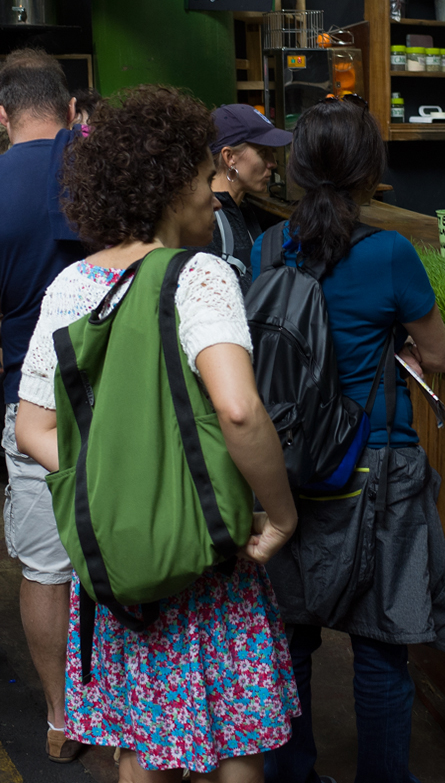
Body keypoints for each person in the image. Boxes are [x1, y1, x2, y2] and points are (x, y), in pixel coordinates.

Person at [14, 84, 301, 782]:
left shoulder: (71, 284)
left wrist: (112, 483)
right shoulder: (199, 275)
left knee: (143, 738)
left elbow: (31, 428)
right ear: (171, 184)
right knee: (234, 738)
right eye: (206, 178)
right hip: (206, 549)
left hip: (119, 562)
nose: (213, 192)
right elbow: (238, 411)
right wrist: (283, 514)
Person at [250, 97, 445, 783]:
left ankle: (295, 774)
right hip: (378, 466)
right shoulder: (392, 253)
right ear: (371, 170)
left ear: (299, 169)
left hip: (287, 467)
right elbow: (441, 355)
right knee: (379, 648)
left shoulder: (268, 248)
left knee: (292, 642)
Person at [0, 48, 86, 765]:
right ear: (70, 111)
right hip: (117, 397)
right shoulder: (97, 177)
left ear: (3, 117)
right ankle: (130, 700)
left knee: (44, 567)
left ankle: (62, 717)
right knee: (125, 549)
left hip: (27, 407)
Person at [196, 104, 292, 293]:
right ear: (229, 157)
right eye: (263, 152)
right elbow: (211, 298)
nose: (272, 163)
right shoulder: (205, 221)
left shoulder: (244, 209)